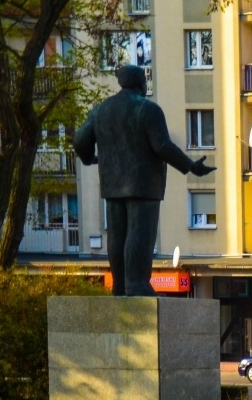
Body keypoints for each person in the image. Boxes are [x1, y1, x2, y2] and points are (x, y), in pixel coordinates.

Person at [74, 65, 214, 296]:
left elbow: (80, 140)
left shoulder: (101, 110)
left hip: (112, 183)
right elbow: (162, 146)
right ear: (142, 84)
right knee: (140, 232)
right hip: (143, 182)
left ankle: (120, 286)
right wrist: (190, 166)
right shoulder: (148, 109)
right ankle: (136, 285)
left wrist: (90, 159)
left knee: (117, 235)